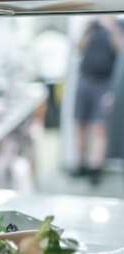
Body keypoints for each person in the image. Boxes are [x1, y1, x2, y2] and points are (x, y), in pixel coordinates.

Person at [72, 16, 121, 178]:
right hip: (84, 81)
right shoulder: (92, 25)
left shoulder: (117, 25)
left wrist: (112, 27)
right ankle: (81, 165)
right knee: (80, 124)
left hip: (104, 85)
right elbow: (80, 47)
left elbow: (120, 48)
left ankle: (95, 168)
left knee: (100, 127)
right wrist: (87, 29)